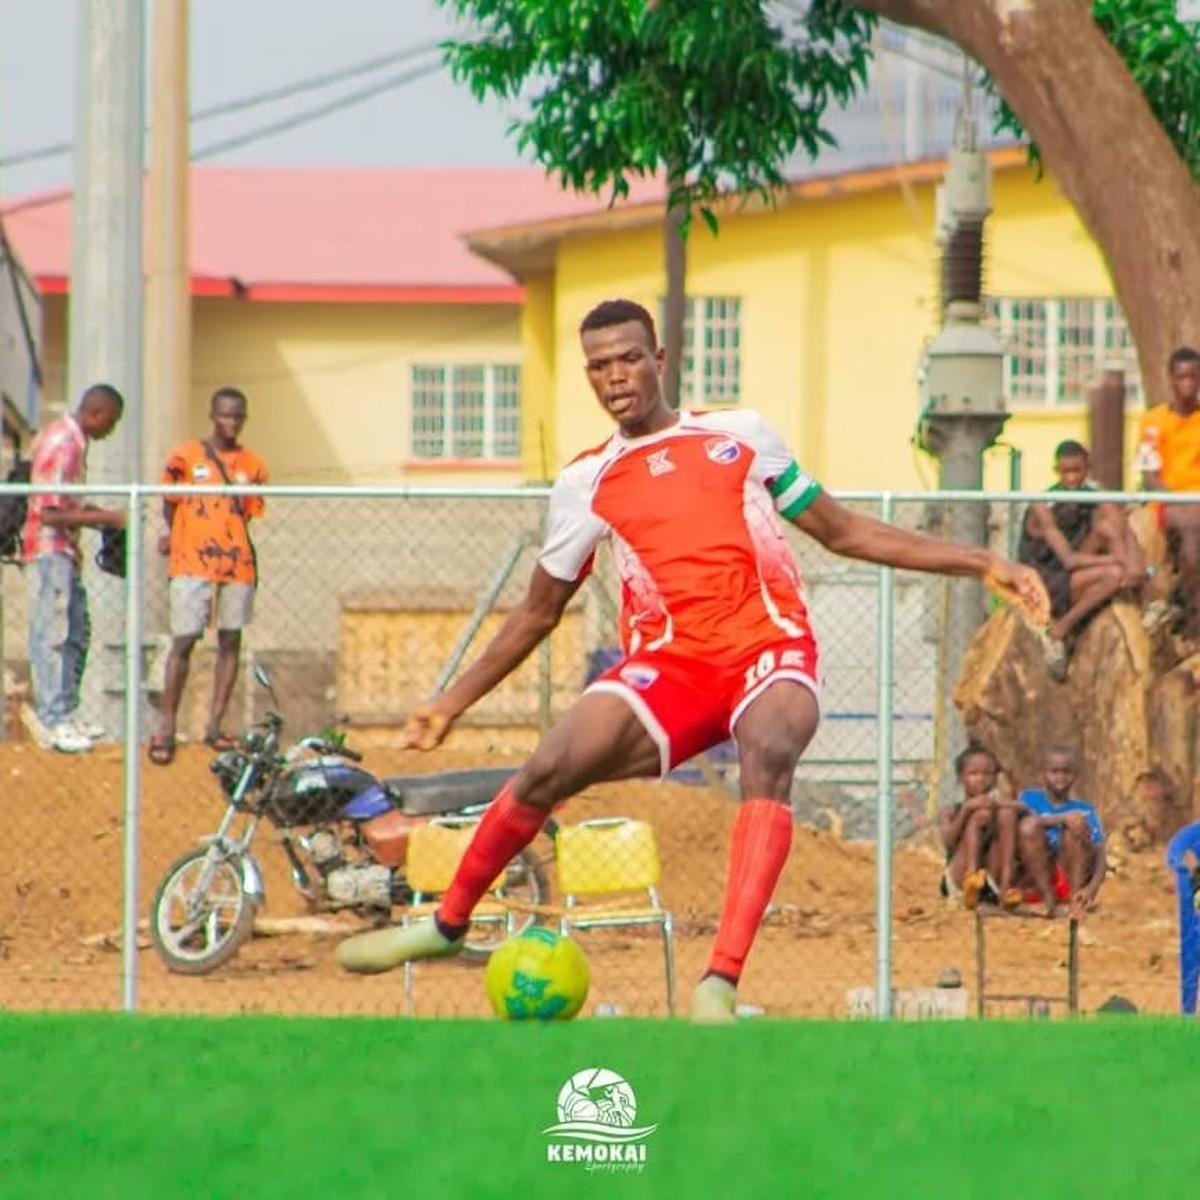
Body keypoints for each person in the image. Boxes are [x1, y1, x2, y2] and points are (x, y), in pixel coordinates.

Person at [335, 298, 1046, 1023]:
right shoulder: (586, 483)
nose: (615, 377)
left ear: (660, 361)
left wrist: (981, 559)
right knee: (549, 764)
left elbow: (842, 530)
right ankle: (448, 925)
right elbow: (538, 612)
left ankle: (718, 983)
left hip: (770, 647)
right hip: (671, 668)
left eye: (628, 359)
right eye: (599, 367)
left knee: (767, 746)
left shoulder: (738, 436)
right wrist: (451, 701)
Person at [148, 387, 267, 766]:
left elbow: (247, 513)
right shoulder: (185, 456)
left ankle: (214, 725)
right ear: (212, 415)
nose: (230, 423)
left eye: (238, 416)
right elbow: (170, 503)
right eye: (224, 415)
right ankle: (166, 726)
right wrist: (180, 537)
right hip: (191, 561)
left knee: (231, 639)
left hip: (236, 561)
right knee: (184, 639)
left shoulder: (254, 465)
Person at [20, 384, 126, 754]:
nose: (109, 431)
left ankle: (66, 709)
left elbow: (67, 504)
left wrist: (97, 516)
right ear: (97, 414)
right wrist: (107, 517)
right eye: (110, 423)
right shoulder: (64, 443)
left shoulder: (76, 443)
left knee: (77, 631)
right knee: (55, 633)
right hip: (49, 551)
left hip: (67, 550)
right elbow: (49, 512)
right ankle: (52, 716)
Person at [1018, 439, 1147, 679]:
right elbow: (1069, 560)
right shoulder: (1043, 506)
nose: (1071, 478)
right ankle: (1060, 630)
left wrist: (1134, 562)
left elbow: (1120, 528)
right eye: (1065, 472)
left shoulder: (1093, 497)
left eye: (1076, 471)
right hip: (1044, 578)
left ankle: (1142, 600)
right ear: (1056, 471)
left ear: (1087, 469)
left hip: (1075, 571)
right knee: (1114, 575)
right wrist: (1116, 561)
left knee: (1110, 527)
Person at [1135, 346, 1200, 638]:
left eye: (1193, 377)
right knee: (1190, 532)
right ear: (1170, 380)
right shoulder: (1153, 422)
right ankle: (1191, 612)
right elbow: (1149, 475)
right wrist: (1176, 499)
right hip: (1171, 502)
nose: (1187, 383)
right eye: (1181, 377)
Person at [1016, 747, 1107, 920]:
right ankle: (1047, 900)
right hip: (1037, 875)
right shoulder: (1029, 798)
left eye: (1067, 772)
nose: (1061, 777)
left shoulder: (1085, 809)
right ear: (1042, 774)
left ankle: (1075, 899)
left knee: (1077, 825)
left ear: (1076, 776)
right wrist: (1062, 818)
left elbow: (1100, 853)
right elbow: (1025, 824)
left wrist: (1092, 888)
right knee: (1028, 827)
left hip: (1070, 872)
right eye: (1054, 771)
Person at [937, 744, 1024, 911]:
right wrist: (966, 809)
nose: (981, 779)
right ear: (961, 778)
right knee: (978, 816)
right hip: (959, 878)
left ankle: (1006, 886)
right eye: (974, 774)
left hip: (991, 876)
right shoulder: (949, 810)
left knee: (1005, 814)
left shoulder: (1000, 805)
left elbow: (1025, 809)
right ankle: (972, 878)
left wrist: (998, 805)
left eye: (987, 774)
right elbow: (948, 841)